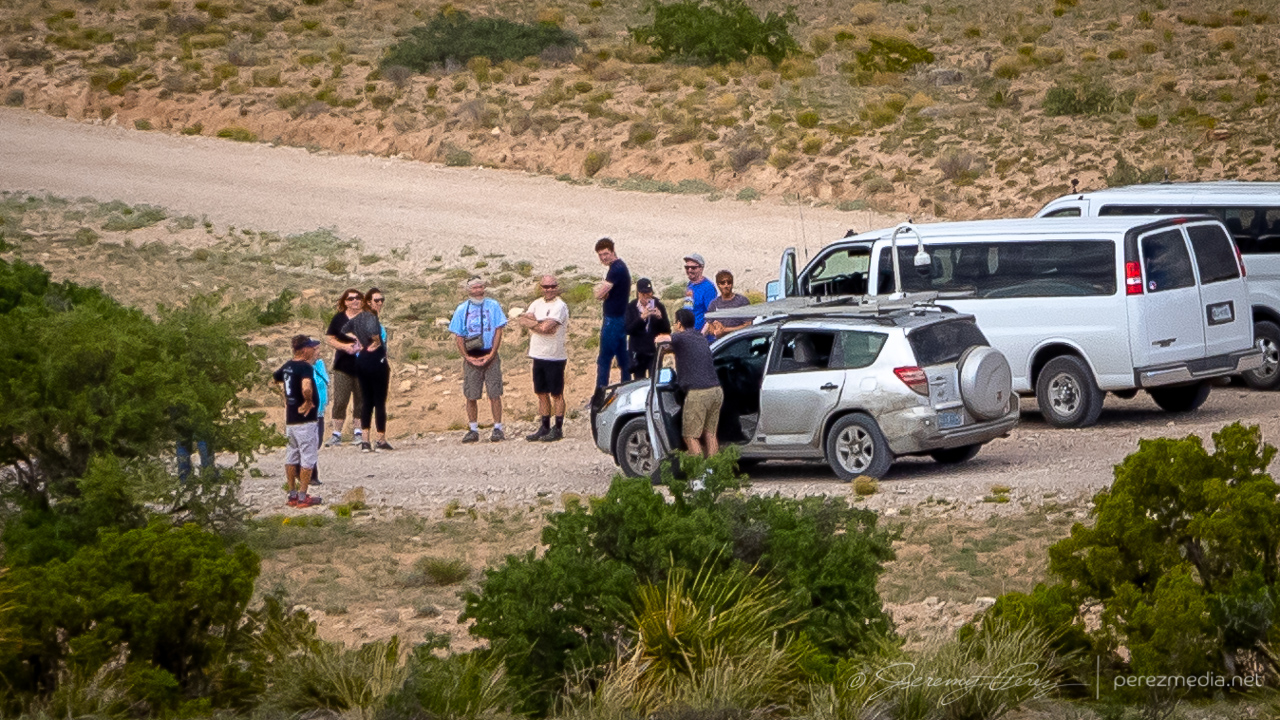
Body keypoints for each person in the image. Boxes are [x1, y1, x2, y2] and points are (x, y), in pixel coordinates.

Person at [655, 308, 723, 458]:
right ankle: (714, 468)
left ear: (679, 324)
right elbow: (684, 349)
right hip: (716, 391)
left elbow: (662, 340)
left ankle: (698, 469)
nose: (674, 326)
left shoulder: (681, 337)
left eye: (675, 323)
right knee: (710, 434)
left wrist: (657, 339)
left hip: (698, 393)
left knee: (690, 436)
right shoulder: (699, 337)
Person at [449, 276, 508, 443]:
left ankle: (497, 427)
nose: (478, 290)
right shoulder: (462, 309)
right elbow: (459, 335)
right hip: (472, 357)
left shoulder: (493, 306)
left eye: (480, 287)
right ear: (468, 290)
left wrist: (492, 353)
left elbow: (498, 330)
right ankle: (473, 429)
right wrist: (467, 357)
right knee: (471, 395)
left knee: (494, 393)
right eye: (474, 287)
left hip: (490, 355)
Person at [273, 335, 323, 507]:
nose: (314, 350)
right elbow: (306, 387)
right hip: (305, 420)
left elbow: (273, 380)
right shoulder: (304, 367)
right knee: (307, 456)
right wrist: (308, 401)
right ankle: (302, 495)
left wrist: (285, 398)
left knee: (291, 455)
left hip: (291, 419)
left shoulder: (287, 366)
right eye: (311, 347)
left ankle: (292, 493)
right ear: (304, 350)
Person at [518, 275, 569, 442]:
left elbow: (548, 328)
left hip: (554, 355)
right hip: (538, 353)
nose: (549, 289)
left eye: (552, 286)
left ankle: (558, 428)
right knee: (541, 392)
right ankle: (544, 426)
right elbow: (524, 319)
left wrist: (534, 324)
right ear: (541, 288)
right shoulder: (536, 303)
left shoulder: (560, 306)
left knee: (556, 393)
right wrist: (539, 324)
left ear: (557, 287)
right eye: (546, 287)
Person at [342, 288, 393, 453]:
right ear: (369, 302)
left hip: (362, 361)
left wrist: (358, 342)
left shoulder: (359, 318)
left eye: (382, 300)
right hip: (376, 361)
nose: (380, 303)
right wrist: (374, 343)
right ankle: (380, 439)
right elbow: (375, 336)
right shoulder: (371, 317)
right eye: (377, 300)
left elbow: (344, 329)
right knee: (379, 401)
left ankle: (365, 440)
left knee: (366, 401)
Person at [324, 288, 364, 447]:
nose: (355, 301)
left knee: (361, 399)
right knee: (340, 399)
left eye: (358, 298)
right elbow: (329, 338)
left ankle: (358, 432)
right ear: (345, 302)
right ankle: (336, 434)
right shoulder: (338, 318)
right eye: (350, 298)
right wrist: (344, 347)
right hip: (343, 365)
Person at [593, 237, 631, 389]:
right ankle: (626, 386)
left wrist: (599, 292)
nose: (603, 258)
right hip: (620, 316)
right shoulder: (619, 267)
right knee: (623, 357)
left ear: (613, 251)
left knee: (605, 358)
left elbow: (599, 294)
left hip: (614, 318)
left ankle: (600, 392)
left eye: (606, 254)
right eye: (600, 255)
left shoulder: (615, 270)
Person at [624, 277, 671, 380]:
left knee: (655, 379)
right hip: (638, 353)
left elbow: (667, 330)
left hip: (653, 351)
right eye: (644, 294)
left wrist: (660, 318)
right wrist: (641, 318)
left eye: (649, 294)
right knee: (639, 381)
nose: (647, 297)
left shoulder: (659, 306)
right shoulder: (631, 307)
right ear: (638, 293)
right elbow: (627, 329)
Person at [704, 270, 752, 340]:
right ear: (718, 284)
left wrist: (725, 330)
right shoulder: (714, 304)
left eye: (729, 282)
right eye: (723, 283)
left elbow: (748, 325)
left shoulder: (742, 301)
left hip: (739, 341)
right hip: (721, 343)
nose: (726, 285)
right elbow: (709, 324)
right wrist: (715, 330)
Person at [682, 253, 716, 332]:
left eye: (693, 268)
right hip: (689, 333)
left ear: (701, 268)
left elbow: (711, 316)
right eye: (687, 267)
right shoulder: (690, 285)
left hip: (702, 335)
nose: (689, 270)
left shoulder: (708, 288)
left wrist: (702, 335)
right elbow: (689, 308)